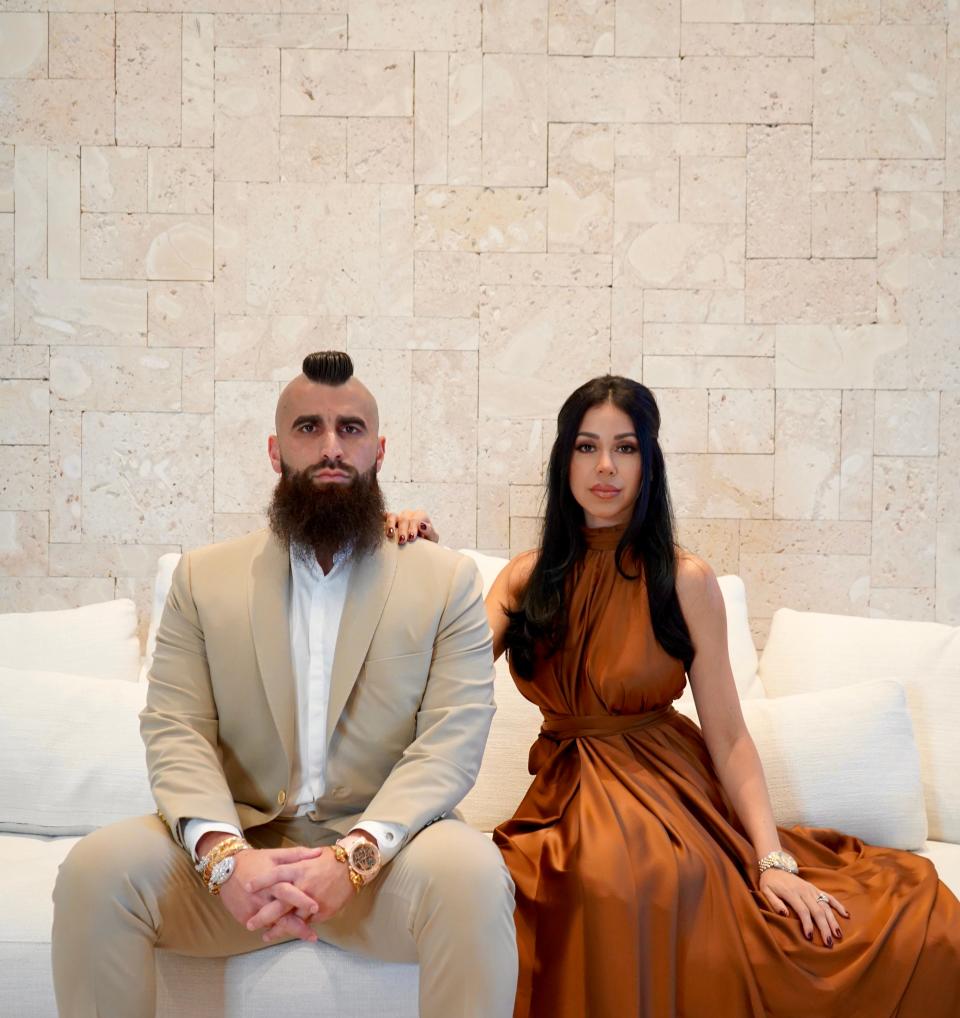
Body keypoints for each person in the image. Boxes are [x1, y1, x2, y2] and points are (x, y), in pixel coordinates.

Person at [391, 374, 960, 1018]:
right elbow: (434, 677)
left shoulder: (685, 579)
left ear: (649, 463)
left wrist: (771, 858)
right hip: (566, 789)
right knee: (577, 877)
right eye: (586, 446)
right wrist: (412, 562)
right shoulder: (526, 578)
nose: (605, 466)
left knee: (667, 883)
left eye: (626, 448)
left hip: (671, 788)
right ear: (563, 459)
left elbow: (729, 733)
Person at [51, 350, 518, 1018]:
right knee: (97, 871)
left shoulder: (445, 582)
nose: (331, 447)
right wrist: (223, 857)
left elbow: (452, 740)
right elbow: (176, 729)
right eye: (309, 428)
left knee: (472, 873)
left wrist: (354, 857)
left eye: (350, 430)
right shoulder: (202, 579)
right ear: (275, 450)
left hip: (384, 866)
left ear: (378, 450)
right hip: (239, 862)